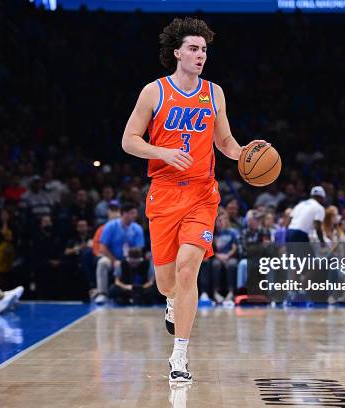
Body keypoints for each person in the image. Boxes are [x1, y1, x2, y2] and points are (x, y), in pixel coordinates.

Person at [121, 17, 266, 382]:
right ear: (177, 53)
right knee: (167, 282)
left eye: (204, 50)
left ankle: (179, 357)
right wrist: (163, 152)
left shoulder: (214, 93)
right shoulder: (154, 92)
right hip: (165, 192)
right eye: (193, 49)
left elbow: (225, 143)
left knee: (189, 268)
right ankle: (171, 302)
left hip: (202, 193)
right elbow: (129, 141)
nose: (201, 55)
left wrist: (247, 153)